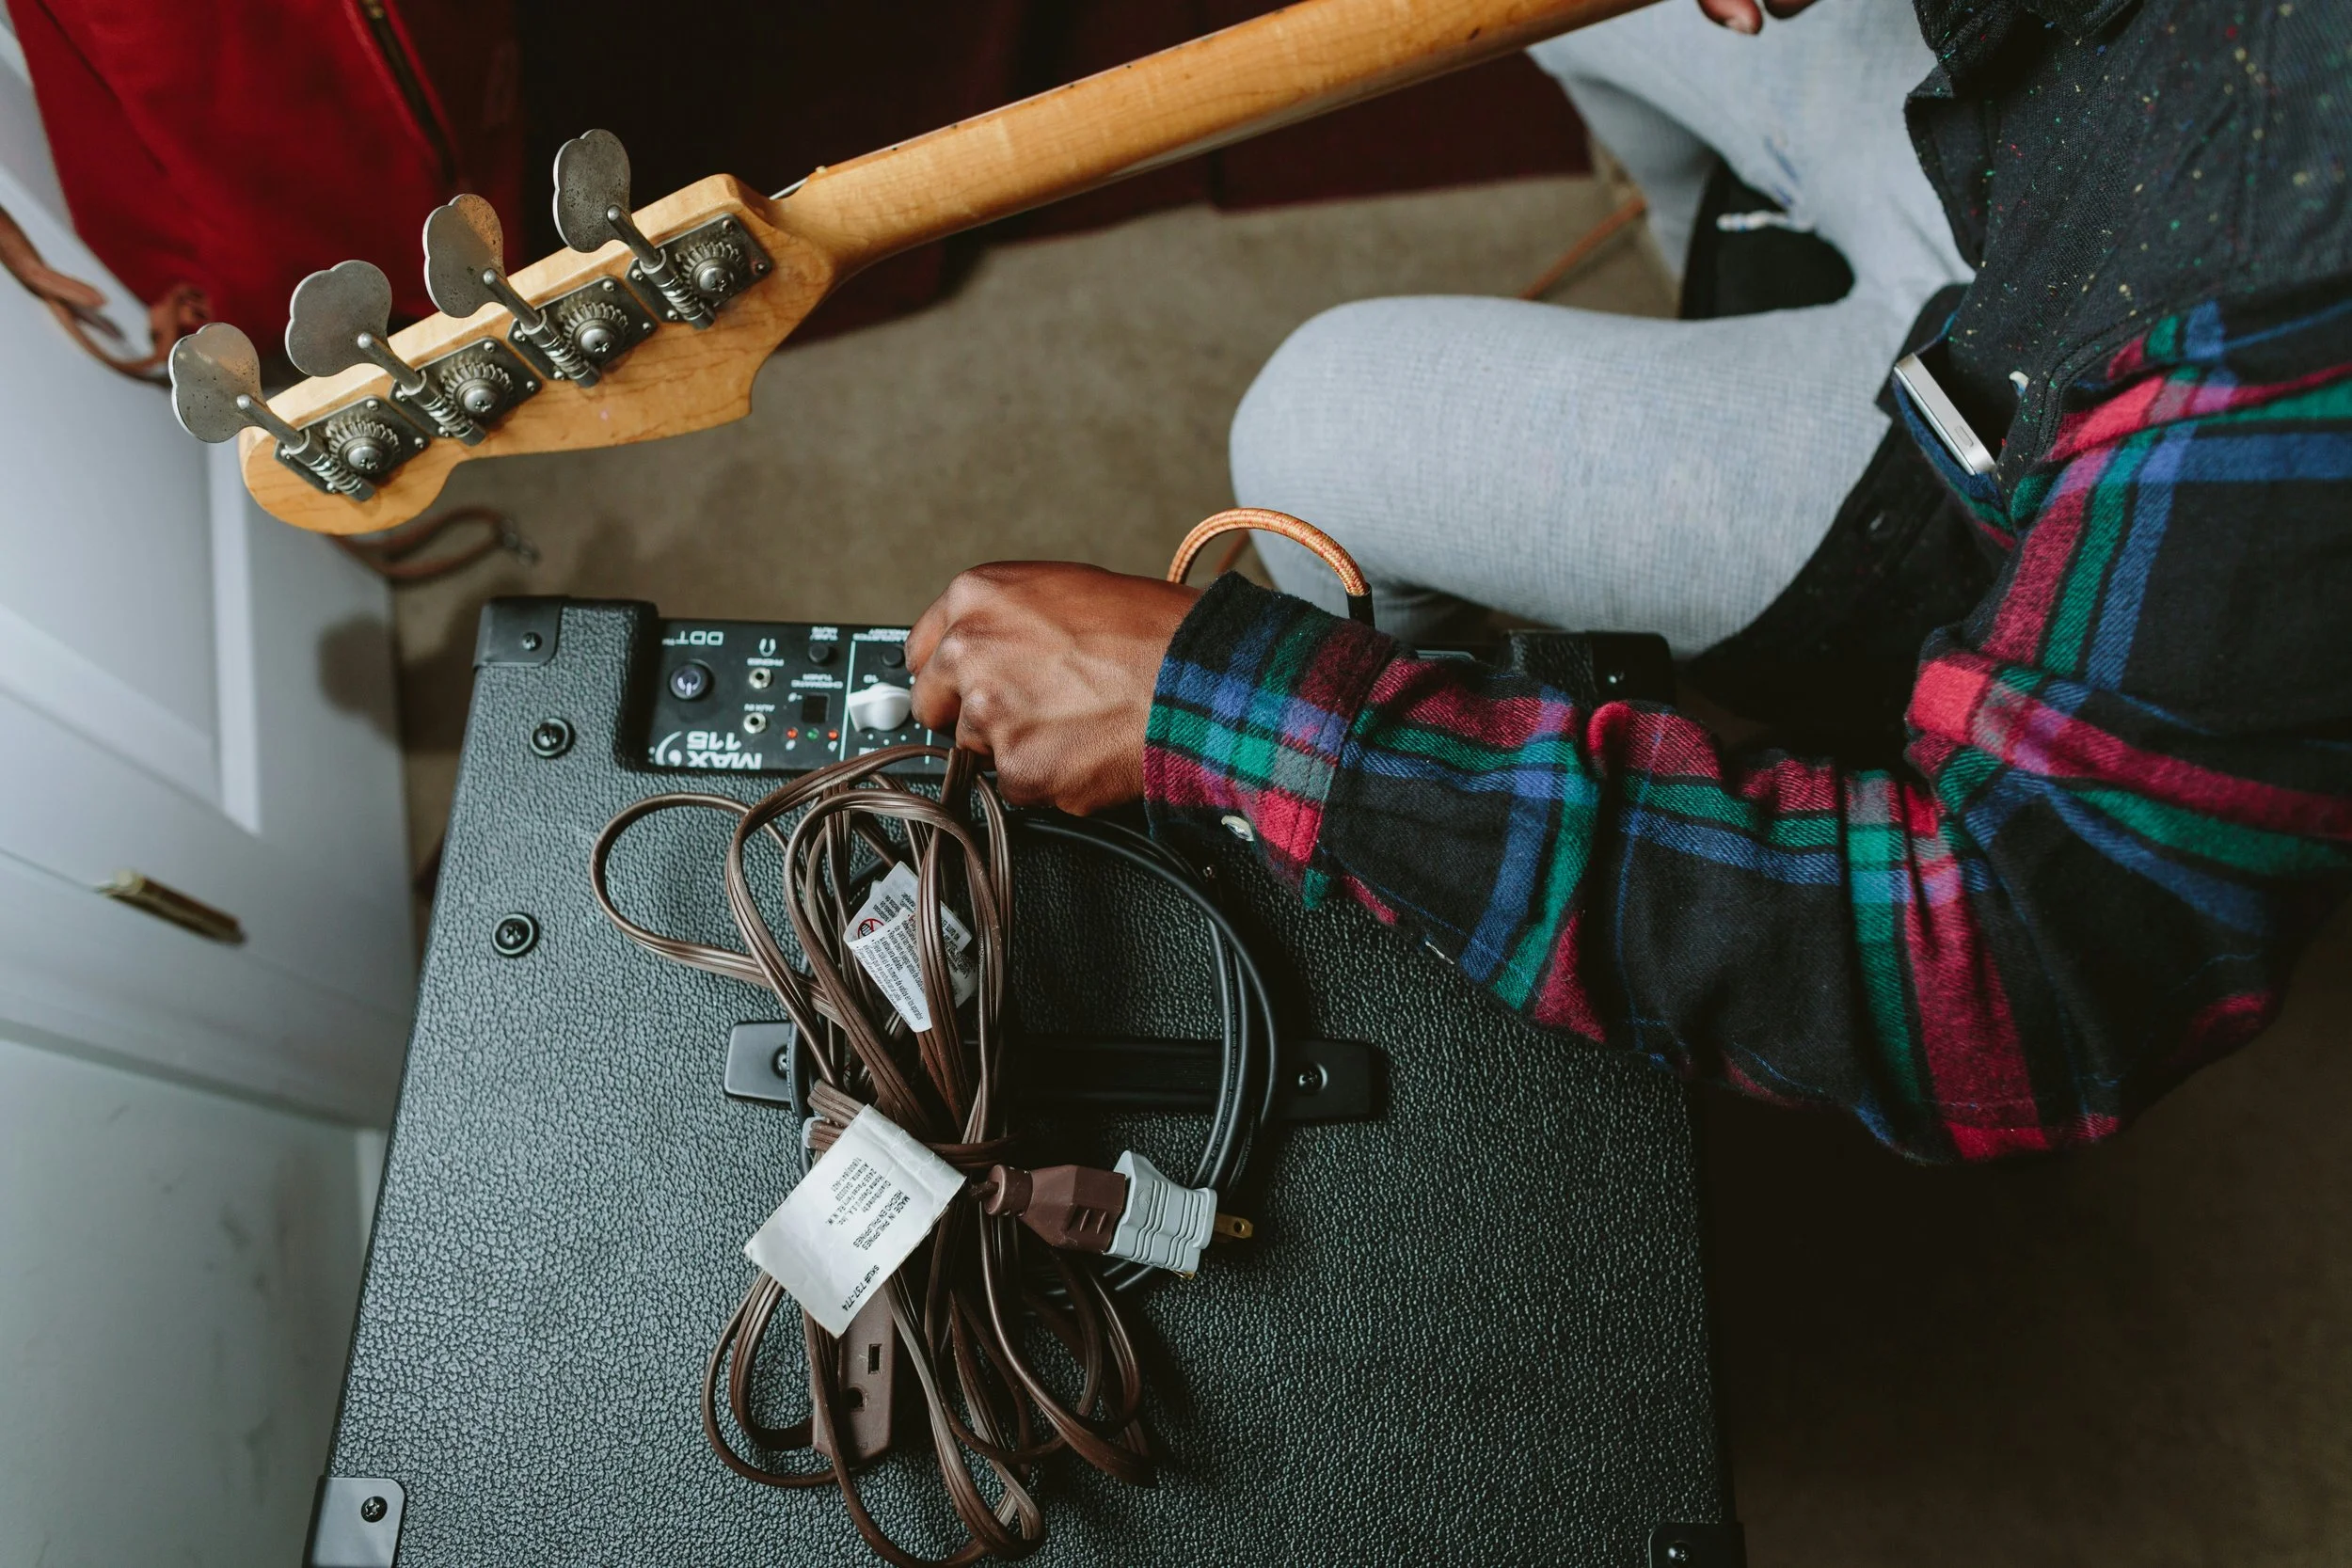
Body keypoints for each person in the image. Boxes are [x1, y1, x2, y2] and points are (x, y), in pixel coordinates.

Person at [907, 0, 2352, 1163]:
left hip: (2057, 422)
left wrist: (1227, 705)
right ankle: (1729, 331)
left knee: (1316, 430)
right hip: (2043, 128)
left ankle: (1432, 859)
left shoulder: (2294, 346)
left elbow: (2021, 977)